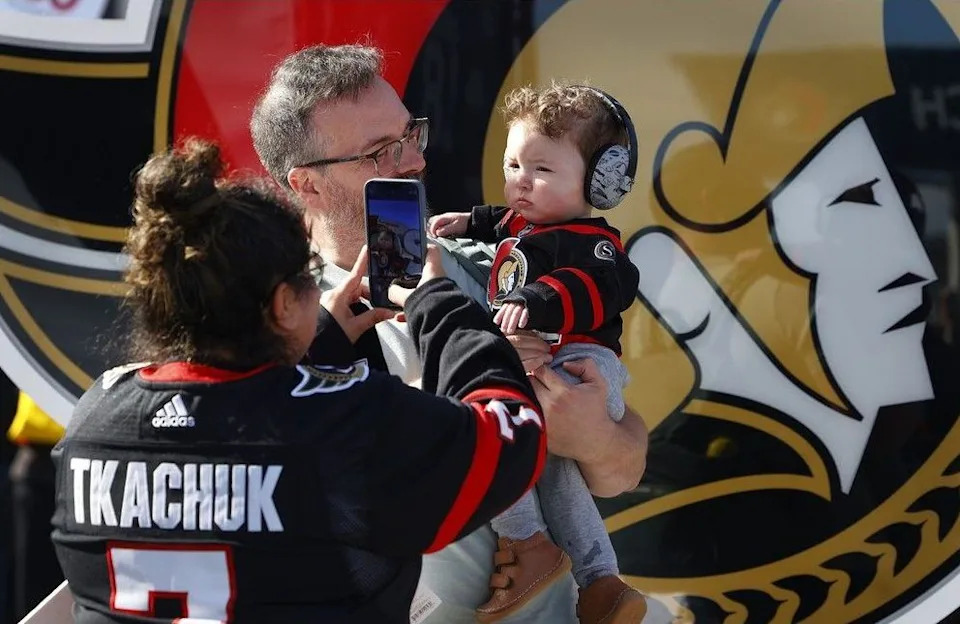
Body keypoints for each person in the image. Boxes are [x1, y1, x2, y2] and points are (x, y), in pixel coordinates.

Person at [49, 138, 547, 623]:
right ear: (283, 304)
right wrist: (437, 303)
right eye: (307, 274)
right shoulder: (343, 418)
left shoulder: (96, 415)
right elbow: (513, 431)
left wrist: (314, 340)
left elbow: (226, 434)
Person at [250, 43, 649, 624]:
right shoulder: (272, 322)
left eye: (411, 134)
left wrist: (592, 435)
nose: (414, 160)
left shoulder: (498, 266)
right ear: (308, 185)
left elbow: (625, 469)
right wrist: (469, 389)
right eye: (381, 151)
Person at [427, 83, 644, 623]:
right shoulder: (524, 223)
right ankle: (598, 581)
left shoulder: (593, 242)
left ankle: (530, 544)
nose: (520, 182)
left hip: (583, 366)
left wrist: (536, 299)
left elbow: (605, 284)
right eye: (512, 165)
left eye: (541, 170)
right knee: (544, 464)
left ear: (598, 182)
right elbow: (499, 220)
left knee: (502, 432)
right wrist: (467, 222)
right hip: (549, 366)